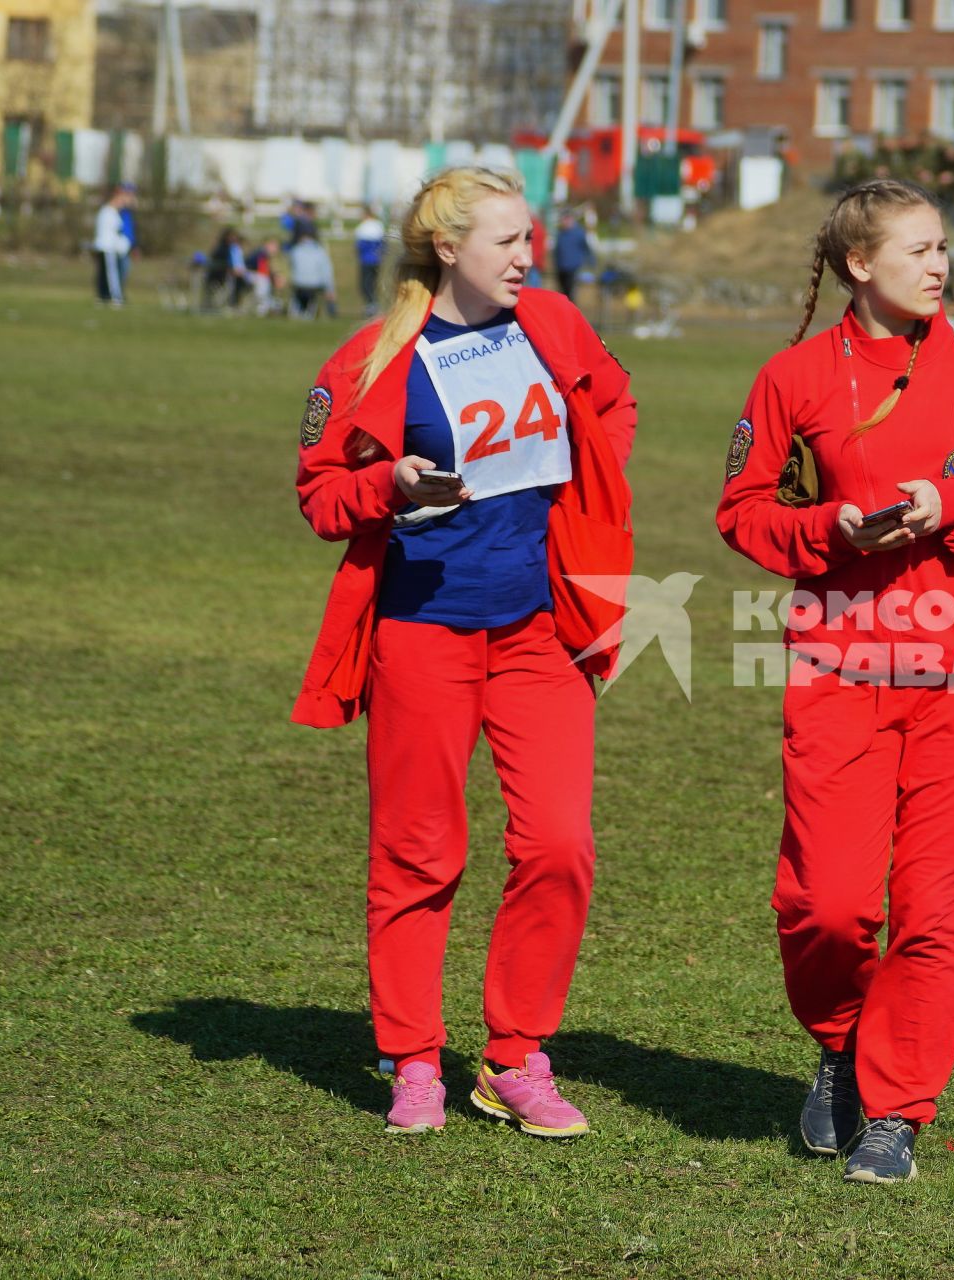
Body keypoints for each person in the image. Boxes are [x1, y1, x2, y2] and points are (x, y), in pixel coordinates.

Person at [716, 179, 954, 1184]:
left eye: (943, 246)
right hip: (839, 671)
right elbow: (742, 512)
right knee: (823, 903)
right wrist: (827, 529)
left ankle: (896, 1109)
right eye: (918, 250)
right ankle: (840, 1042)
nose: (939, 264)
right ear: (859, 266)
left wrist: (948, 503)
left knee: (931, 913)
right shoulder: (791, 376)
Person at [291, 165, 636, 1138]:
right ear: (447, 248)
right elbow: (319, 491)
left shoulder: (556, 326)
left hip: (540, 630)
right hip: (421, 628)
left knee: (559, 844)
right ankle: (411, 1057)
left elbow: (614, 406)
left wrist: (588, 487)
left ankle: (516, 1054)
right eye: (508, 242)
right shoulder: (371, 359)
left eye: (530, 239)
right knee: (419, 849)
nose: (529, 256)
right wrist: (388, 485)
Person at [92, 186, 133, 306]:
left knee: (104, 274)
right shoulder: (109, 212)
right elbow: (111, 233)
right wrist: (121, 246)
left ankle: (103, 297)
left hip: (105, 247)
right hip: (107, 248)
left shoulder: (109, 212)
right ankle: (115, 297)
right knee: (111, 274)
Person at [287, 228, 338, 318]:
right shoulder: (320, 251)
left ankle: (296, 314)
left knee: (298, 296)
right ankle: (310, 314)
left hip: (298, 284)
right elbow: (327, 273)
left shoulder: (295, 250)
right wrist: (330, 290)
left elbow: (291, 266)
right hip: (314, 285)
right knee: (311, 297)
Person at [354, 205, 388, 316]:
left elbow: (359, 246)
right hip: (376, 260)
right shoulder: (378, 225)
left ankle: (371, 305)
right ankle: (373, 304)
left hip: (366, 260)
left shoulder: (362, 228)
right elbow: (383, 244)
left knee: (365, 284)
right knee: (372, 283)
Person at [553, 209, 592, 304]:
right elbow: (557, 250)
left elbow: (587, 248)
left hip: (573, 267)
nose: (564, 222)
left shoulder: (579, 233)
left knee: (571, 293)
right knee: (562, 293)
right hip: (561, 267)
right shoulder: (560, 233)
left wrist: (590, 263)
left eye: (566, 219)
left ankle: (571, 312)